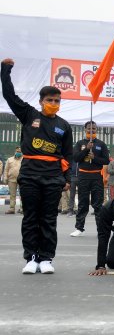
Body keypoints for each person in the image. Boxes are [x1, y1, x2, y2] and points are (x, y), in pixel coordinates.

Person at [1, 58, 73, 274]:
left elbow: (68, 154)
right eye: (50, 99)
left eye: (57, 100)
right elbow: (9, 96)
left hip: (53, 177)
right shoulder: (29, 115)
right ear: (41, 101)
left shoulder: (64, 126)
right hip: (30, 174)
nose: (54, 103)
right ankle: (31, 258)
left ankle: (46, 259)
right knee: (31, 217)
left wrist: (67, 179)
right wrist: (5, 70)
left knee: (49, 218)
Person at [70, 121, 110, 237]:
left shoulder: (101, 144)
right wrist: (86, 149)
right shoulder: (80, 143)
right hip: (83, 176)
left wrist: (95, 158)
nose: (91, 131)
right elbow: (76, 158)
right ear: (85, 129)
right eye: (89, 129)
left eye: (94, 129)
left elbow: (106, 160)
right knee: (83, 203)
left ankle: (100, 229)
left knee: (98, 204)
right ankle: (79, 228)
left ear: (96, 130)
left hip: (97, 176)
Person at [4, 147, 22, 214]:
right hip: (11, 179)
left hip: (22, 179)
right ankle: (12, 209)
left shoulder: (24, 160)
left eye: (20, 152)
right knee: (12, 195)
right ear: (15, 151)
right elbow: (6, 170)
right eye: (17, 151)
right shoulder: (10, 159)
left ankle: (22, 209)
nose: (18, 153)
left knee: (22, 195)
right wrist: (5, 178)